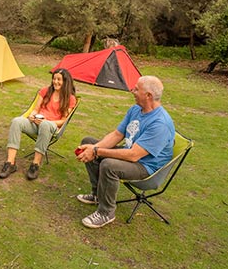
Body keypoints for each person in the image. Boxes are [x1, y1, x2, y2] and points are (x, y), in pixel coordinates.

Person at [74, 75, 175, 229]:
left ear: (148, 96)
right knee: (88, 142)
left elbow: (134, 155)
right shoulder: (136, 109)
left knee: (109, 165)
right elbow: (117, 135)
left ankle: (106, 212)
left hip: (146, 167)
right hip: (131, 153)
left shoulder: (160, 123)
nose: (132, 90)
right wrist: (94, 149)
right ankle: (97, 195)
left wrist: (97, 151)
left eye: (136, 89)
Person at [0, 68, 77, 180]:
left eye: (59, 79)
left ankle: (35, 165)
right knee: (16, 121)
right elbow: (35, 110)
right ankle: (10, 163)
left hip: (51, 126)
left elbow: (63, 120)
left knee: (45, 125)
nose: (55, 82)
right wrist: (32, 115)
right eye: (54, 79)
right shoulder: (45, 91)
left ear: (65, 81)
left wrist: (47, 122)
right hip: (36, 123)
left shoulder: (70, 98)